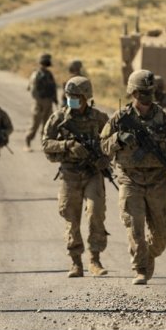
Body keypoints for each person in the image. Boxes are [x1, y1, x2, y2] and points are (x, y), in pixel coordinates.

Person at [100, 70, 166, 285]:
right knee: (135, 226)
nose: (146, 97)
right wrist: (118, 139)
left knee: (161, 235)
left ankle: (148, 255)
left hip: (158, 181)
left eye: (149, 92)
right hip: (130, 179)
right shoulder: (120, 118)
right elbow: (102, 146)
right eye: (142, 92)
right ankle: (140, 268)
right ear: (133, 93)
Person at [42, 76, 111, 278]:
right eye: (69, 96)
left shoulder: (99, 118)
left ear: (86, 97)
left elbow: (112, 143)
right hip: (69, 173)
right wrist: (68, 145)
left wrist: (105, 159)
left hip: (92, 173)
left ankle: (95, 259)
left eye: (76, 96)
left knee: (95, 213)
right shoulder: (58, 118)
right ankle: (75, 262)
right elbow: (46, 144)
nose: (72, 99)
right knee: (71, 218)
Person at [24, 53, 57, 151]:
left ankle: (44, 145)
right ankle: (27, 143)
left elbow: (53, 88)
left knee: (47, 125)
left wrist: (54, 99)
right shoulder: (36, 75)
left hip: (48, 102)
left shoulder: (49, 74)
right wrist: (39, 102)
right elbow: (33, 91)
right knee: (35, 125)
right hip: (39, 103)